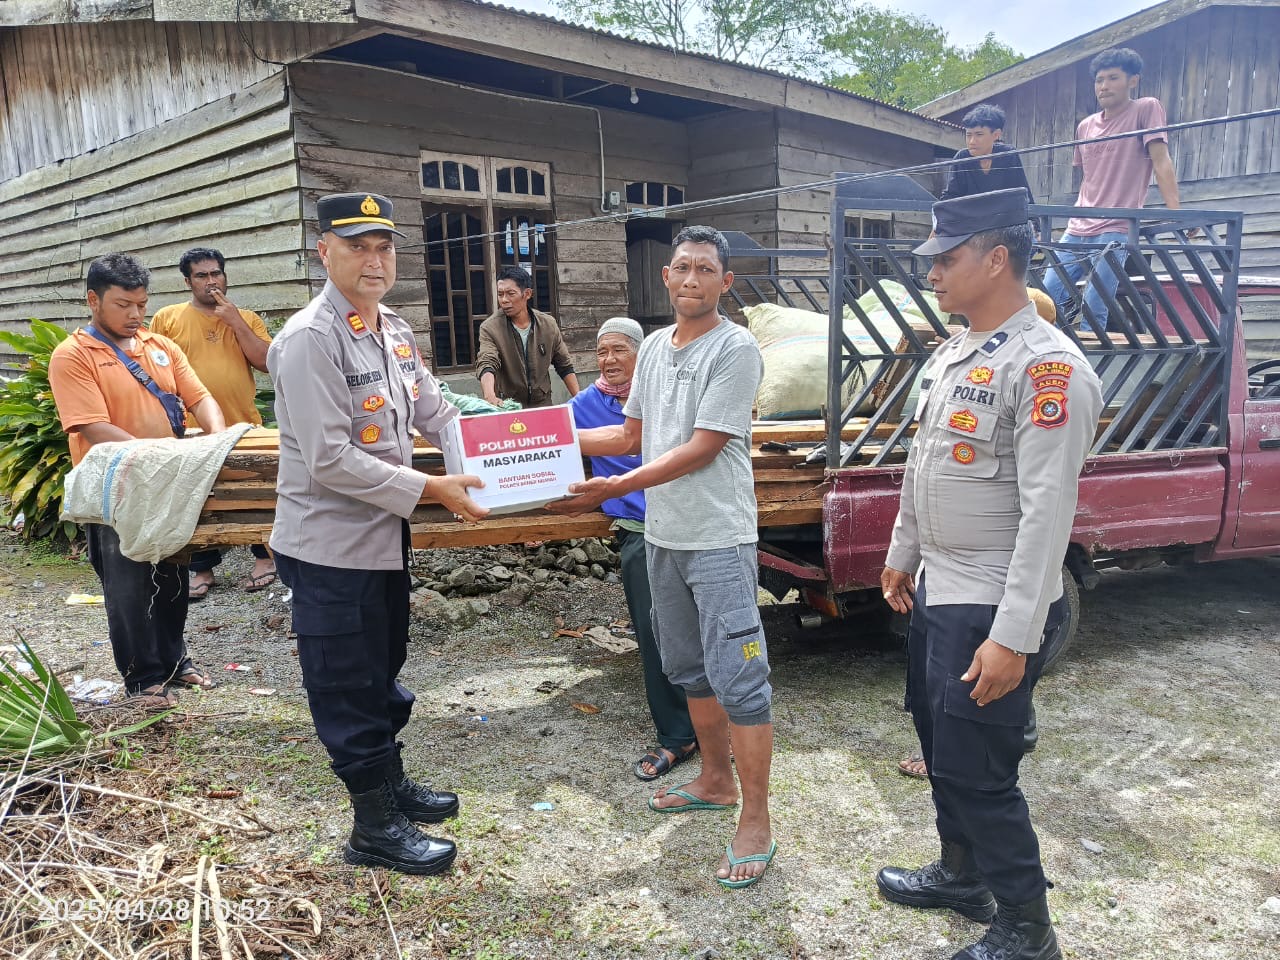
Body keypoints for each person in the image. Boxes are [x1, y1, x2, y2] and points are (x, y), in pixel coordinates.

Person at [875, 189, 1102, 960]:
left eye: (946, 258)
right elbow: (925, 465)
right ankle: (960, 875)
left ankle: (1027, 929)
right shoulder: (956, 352)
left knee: (979, 771)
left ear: (996, 258)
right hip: (940, 588)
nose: (933, 273)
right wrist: (903, 551)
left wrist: (1014, 636)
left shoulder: (1048, 369)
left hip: (991, 601)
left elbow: (1047, 517)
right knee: (941, 745)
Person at [268, 192, 488, 876]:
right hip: (330, 546)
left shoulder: (392, 328)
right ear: (323, 251)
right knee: (346, 681)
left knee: (381, 668)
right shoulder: (310, 339)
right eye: (357, 246)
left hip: (382, 539)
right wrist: (433, 489)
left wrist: (498, 463)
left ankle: (390, 785)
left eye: (384, 247)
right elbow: (330, 459)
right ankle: (371, 827)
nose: (374, 260)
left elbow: (438, 413)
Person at [550, 226, 774, 890]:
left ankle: (756, 818)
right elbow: (629, 434)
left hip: (719, 537)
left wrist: (616, 485)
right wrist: (534, 439)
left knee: (740, 678)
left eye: (706, 269)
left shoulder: (735, 348)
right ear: (666, 277)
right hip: (664, 535)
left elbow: (703, 446)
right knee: (687, 667)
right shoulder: (651, 347)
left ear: (724, 282)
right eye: (682, 267)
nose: (691, 279)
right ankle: (715, 779)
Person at [48, 253, 225, 707]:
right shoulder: (73, 355)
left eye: (142, 304)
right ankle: (143, 679)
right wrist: (155, 462)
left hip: (168, 485)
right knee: (128, 588)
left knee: (173, 577)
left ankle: (174, 660)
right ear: (94, 300)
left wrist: (216, 440)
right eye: (123, 304)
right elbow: (93, 426)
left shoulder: (158, 345)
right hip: (116, 492)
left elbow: (200, 397)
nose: (135, 314)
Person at [566, 317, 697, 782]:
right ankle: (678, 735)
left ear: (642, 354)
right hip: (640, 528)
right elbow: (541, 439)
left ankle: (714, 726)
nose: (609, 360)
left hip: (689, 518)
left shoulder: (665, 392)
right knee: (655, 630)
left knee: (706, 630)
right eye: (602, 351)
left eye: (619, 349)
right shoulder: (584, 405)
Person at [150, 247, 276, 598]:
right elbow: (154, 369)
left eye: (216, 273)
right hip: (191, 430)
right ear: (187, 282)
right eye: (202, 275)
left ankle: (265, 559)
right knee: (196, 499)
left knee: (255, 493)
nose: (211, 281)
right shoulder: (168, 318)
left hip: (242, 425)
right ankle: (201, 568)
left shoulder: (246, 318)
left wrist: (234, 321)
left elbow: (267, 362)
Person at [1042, 47, 1184, 333]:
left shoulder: (1146, 108)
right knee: (1046, 293)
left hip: (1116, 225)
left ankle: (1092, 356)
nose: (1104, 86)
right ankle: (1049, 348)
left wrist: (1177, 213)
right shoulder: (1085, 126)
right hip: (1078, 224)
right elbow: (1089, 177)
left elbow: (1161, 161)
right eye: (1099, 80)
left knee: (1096, 300)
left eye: (1113, 78)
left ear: (1133, 80)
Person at [476, 265, 580, 407]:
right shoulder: (490, 328)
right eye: (500, 294)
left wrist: (580, 400)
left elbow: (564, 365)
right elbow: (487, 362)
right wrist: (490, 396)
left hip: (542, 403)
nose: (504, 300)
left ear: (527, 294)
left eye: (510, 294)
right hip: (509, 405)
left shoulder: (548, 325)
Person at [939, 104, 1032, 202]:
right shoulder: (961, 158)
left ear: (996, 134)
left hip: (1004, 211)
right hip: (971, 212)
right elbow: (950, 197)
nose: (972, 141)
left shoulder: (1008, 155)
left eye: (979, 134)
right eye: (968, 135)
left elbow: (1023, 195)